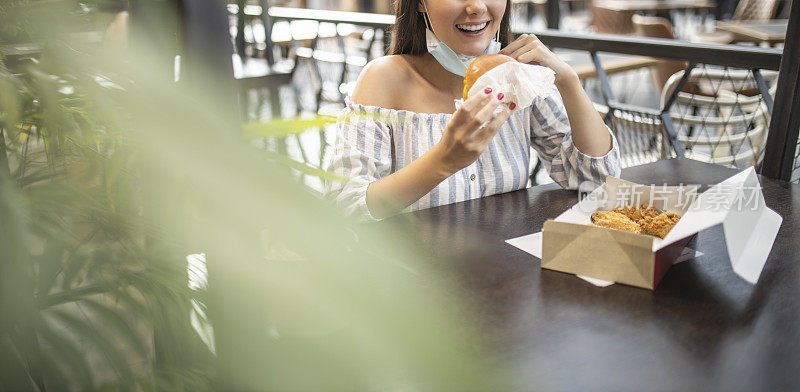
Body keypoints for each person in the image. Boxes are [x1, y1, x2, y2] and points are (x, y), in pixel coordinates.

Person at [327, 0, 621, 220]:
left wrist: (569, 82)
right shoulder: (382, 80)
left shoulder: (518, 78)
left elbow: (595, 181)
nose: (476, 6)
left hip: (507, 282)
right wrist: (443, 160)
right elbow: (345, 206)